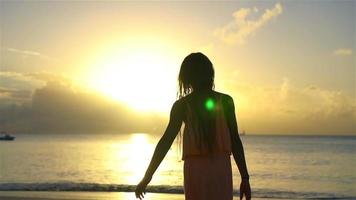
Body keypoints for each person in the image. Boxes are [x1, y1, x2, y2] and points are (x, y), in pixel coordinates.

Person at [135, 52, 251, 200]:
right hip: (221, 171)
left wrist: (147, 177)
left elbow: (165, 142)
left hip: (195, 171)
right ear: (210, 74)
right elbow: (235, 141)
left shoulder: (182, 106)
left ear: (187, 77)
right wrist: (245, 178)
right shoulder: (226, 101)